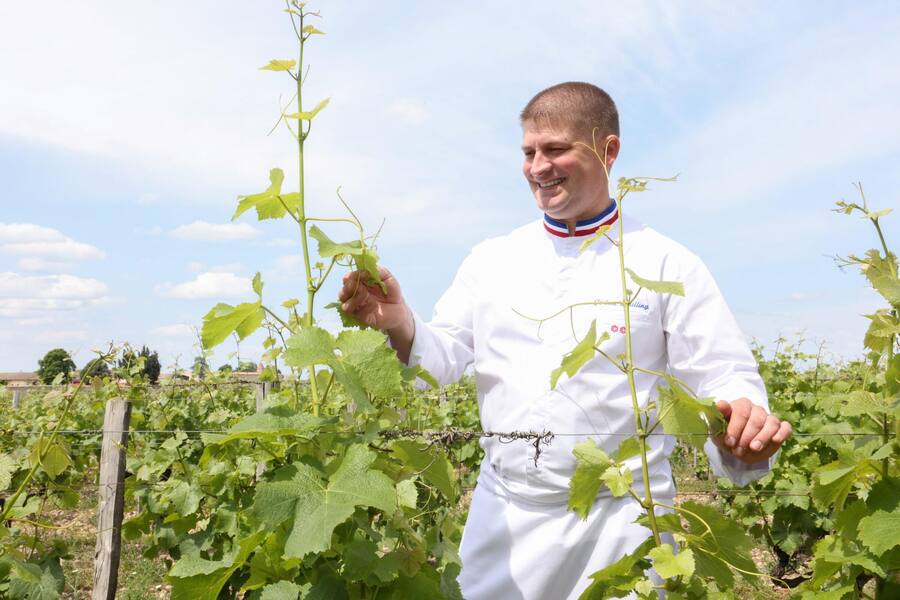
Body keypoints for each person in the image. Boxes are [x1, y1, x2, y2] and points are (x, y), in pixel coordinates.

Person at [338, 82, 792, 600]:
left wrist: (746, 424)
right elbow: (443, 356)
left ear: (608, 150)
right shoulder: (491, 260)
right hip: (504, 519)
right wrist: (400, 322)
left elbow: (723, 374)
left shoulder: (666, 263)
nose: (537, 167)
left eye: (555, 149)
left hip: (624, 525)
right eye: (529, 152)